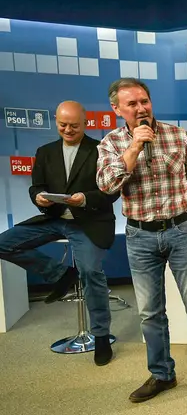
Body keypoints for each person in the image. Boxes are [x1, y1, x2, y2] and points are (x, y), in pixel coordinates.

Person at [96, 78, 187, 402]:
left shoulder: (178, 135)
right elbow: (106, 186)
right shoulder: (111, 143)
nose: (141, 108)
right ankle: (161, 375)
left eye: (145, 101)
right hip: (140, 235)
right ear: (117, 109)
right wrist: (134, 148)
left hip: (182, 229)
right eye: (132, 104)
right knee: (150, 313)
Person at [0, 100, 118, 366]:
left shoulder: (100, 150)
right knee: (3, 244)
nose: (67, 130)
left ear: (85, 123)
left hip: (89, 222)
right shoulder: (45, 152)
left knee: (91, 272)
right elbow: (36, 187)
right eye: (63, 124)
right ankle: (61, 274)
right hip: (54, 219)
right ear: (56, 121)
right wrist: (39, 198)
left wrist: (84, 199)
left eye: (74, 126)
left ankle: (101, 336)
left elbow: (112, 191)